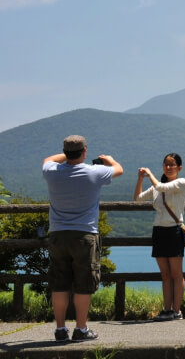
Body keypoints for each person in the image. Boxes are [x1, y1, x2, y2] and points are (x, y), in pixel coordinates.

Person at [42, 135, 123, 342]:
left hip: (58, 234)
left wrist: (68, 153)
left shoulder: (51, 172)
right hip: (85, 235)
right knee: (83, 284)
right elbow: (119, 169)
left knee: (59, 284)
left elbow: (47, 160)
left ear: (66, 152)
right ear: (84, 151)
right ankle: (81, 329)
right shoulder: (94, 172)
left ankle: (60, 330)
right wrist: (109, 159)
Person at [134, 153, 185, 321]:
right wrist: (141, 179)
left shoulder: (181, 183)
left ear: (179, 168)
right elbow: (137, 199)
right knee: (165, 274)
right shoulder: (156, 187)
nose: (168, 167)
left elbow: (161, 187)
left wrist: (150, 174)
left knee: (176, 273)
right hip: (159, 231)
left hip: (173, 230)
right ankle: (167, 310)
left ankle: (177, 310)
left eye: (172, 164)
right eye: (166, 164)